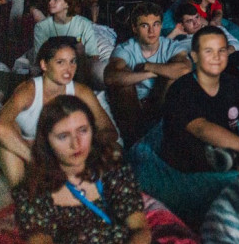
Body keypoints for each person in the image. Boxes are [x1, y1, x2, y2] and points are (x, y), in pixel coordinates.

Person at [12, 95, 150, 244]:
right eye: (63, 136)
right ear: (47, 142)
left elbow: (139, 228)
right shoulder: (35, 189)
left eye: (83, 131)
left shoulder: (113, 169)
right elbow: (40, 240)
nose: (76, 143)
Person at [0, 37, 119, 187]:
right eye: (60, 62)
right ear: (44, 65)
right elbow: (0, 127)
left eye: (72, 61)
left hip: (64, 153)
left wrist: (83, 148)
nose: (69, 69)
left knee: (115, 151)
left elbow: (109, 131)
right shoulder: (29, 89)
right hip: (29, 154)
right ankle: (24, 193)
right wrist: (40, 161)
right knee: (4, 142)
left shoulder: (81, 91)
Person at [160, 26, 239, 173]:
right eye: (209, 51)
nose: (217, 56)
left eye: (222, 50)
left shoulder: (234, 84)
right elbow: (200, 128)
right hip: (188, 156)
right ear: (195, 56)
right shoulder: (181, 88)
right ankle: (232, 159)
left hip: (230, 148)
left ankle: (234, 158)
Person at [104, 3, 191, 144]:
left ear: (161, 25)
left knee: (173, 78)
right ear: (135, 28)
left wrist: (148, 66)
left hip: (160, 102)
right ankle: (134, 139)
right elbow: (110, 77)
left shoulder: (171, 46)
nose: (152, 31)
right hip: (133, 106)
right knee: (122, 82)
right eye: (145, 26)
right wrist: (149, 74)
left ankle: (160, 133)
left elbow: (185, 69)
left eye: (156, 24)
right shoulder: (125, 48)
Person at [32, 0, 105, 88]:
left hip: (80, 65)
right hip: (53, 66)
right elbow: (39, 56)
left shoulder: (84, 24)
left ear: (67, 3)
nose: (50, 2)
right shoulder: (41, 27)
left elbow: (93, 55)